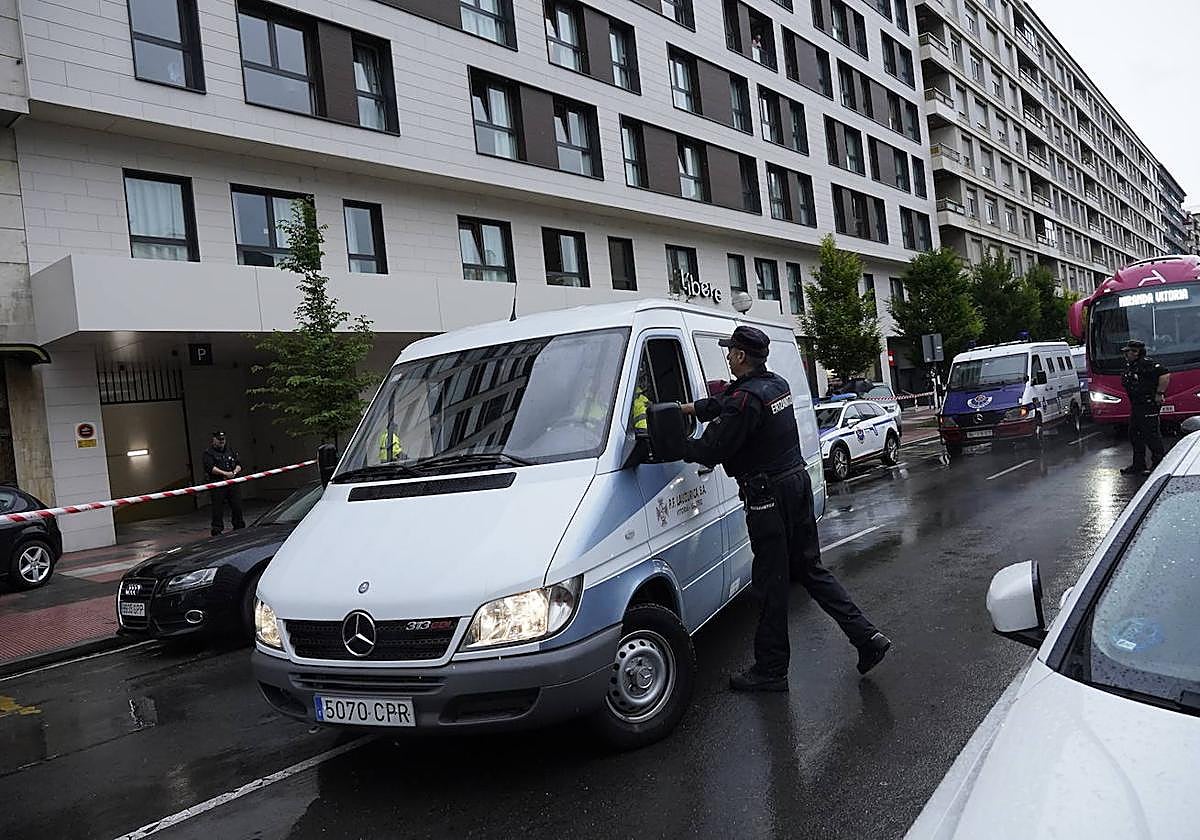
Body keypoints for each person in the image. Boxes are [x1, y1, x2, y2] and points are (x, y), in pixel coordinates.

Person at [674, 326, 891, 692]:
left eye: (731, 352)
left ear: (741, 356)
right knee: (811, 570)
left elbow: (712, 449)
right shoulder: (775, 385)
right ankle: (867, 638)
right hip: (796, 485)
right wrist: (688, 407)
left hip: (767, 497)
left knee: (770, 585)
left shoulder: (746, 400)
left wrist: (671, 442)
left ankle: (771, 670)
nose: (728, 356)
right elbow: (724, 403)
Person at [1119, 339, 1170, 476]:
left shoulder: (1147, 364)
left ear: (1136, 352)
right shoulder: (1132, 365)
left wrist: (1159, 393)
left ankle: (1158, 465)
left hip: (1148, 405)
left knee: (1151, 434)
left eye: (1128, 352)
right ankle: (1138, 464)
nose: (1125, 354)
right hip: (1137, 405)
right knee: (1134, 434)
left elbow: (1165, 374)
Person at [202, 431, 245, 536]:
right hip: (218, 484)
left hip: (232, 482)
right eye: (219, 440)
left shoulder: (230, 450)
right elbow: (210, 467)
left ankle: (239, 526)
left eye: (223, 439)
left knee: (237, 505)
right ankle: (217, 529)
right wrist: (224, 473)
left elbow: (239, 464)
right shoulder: (208, 453)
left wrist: (233, 472)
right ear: (214, 440)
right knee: (217, 508)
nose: (222, 442)